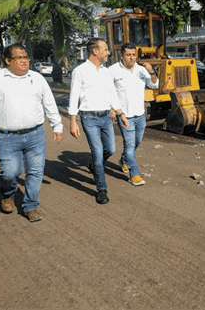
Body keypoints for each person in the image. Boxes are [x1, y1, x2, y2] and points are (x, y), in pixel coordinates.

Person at [0, 43, 63, 222]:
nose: (24, 61)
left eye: (26, 57)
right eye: (19, 58)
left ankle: (30, 206)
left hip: (35, 135)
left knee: (35, 171)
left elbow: (49, 103)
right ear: (7, 61)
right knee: (10, 173)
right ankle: (8, 193)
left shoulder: (37, 79)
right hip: (6, 137)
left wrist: (57, 125)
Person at [68, 38, 129, 204]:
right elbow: (73, 97)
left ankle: (95, 165)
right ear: (95, 51)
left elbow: (112, 94)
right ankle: (101, 189)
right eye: (106, 49)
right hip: (89, 118)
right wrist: (73, 121)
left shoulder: (106, 71)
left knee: (110, 149)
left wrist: (120, 113)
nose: (108, 52)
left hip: (105, 117)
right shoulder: (79, 71)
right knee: (97, 151)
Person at [109, 43, 159, 186]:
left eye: (133, 55)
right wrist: (112, 109)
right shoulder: (113, 71)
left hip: (140, 114)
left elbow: (154, 84)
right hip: (124, 115)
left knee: (136, 142)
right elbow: (108, 91)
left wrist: (152, 72)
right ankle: (134, 174)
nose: (131, 58)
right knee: (130, 145)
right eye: (128, 55)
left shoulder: (142, 70)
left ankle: (124, 160)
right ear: (122, 56)